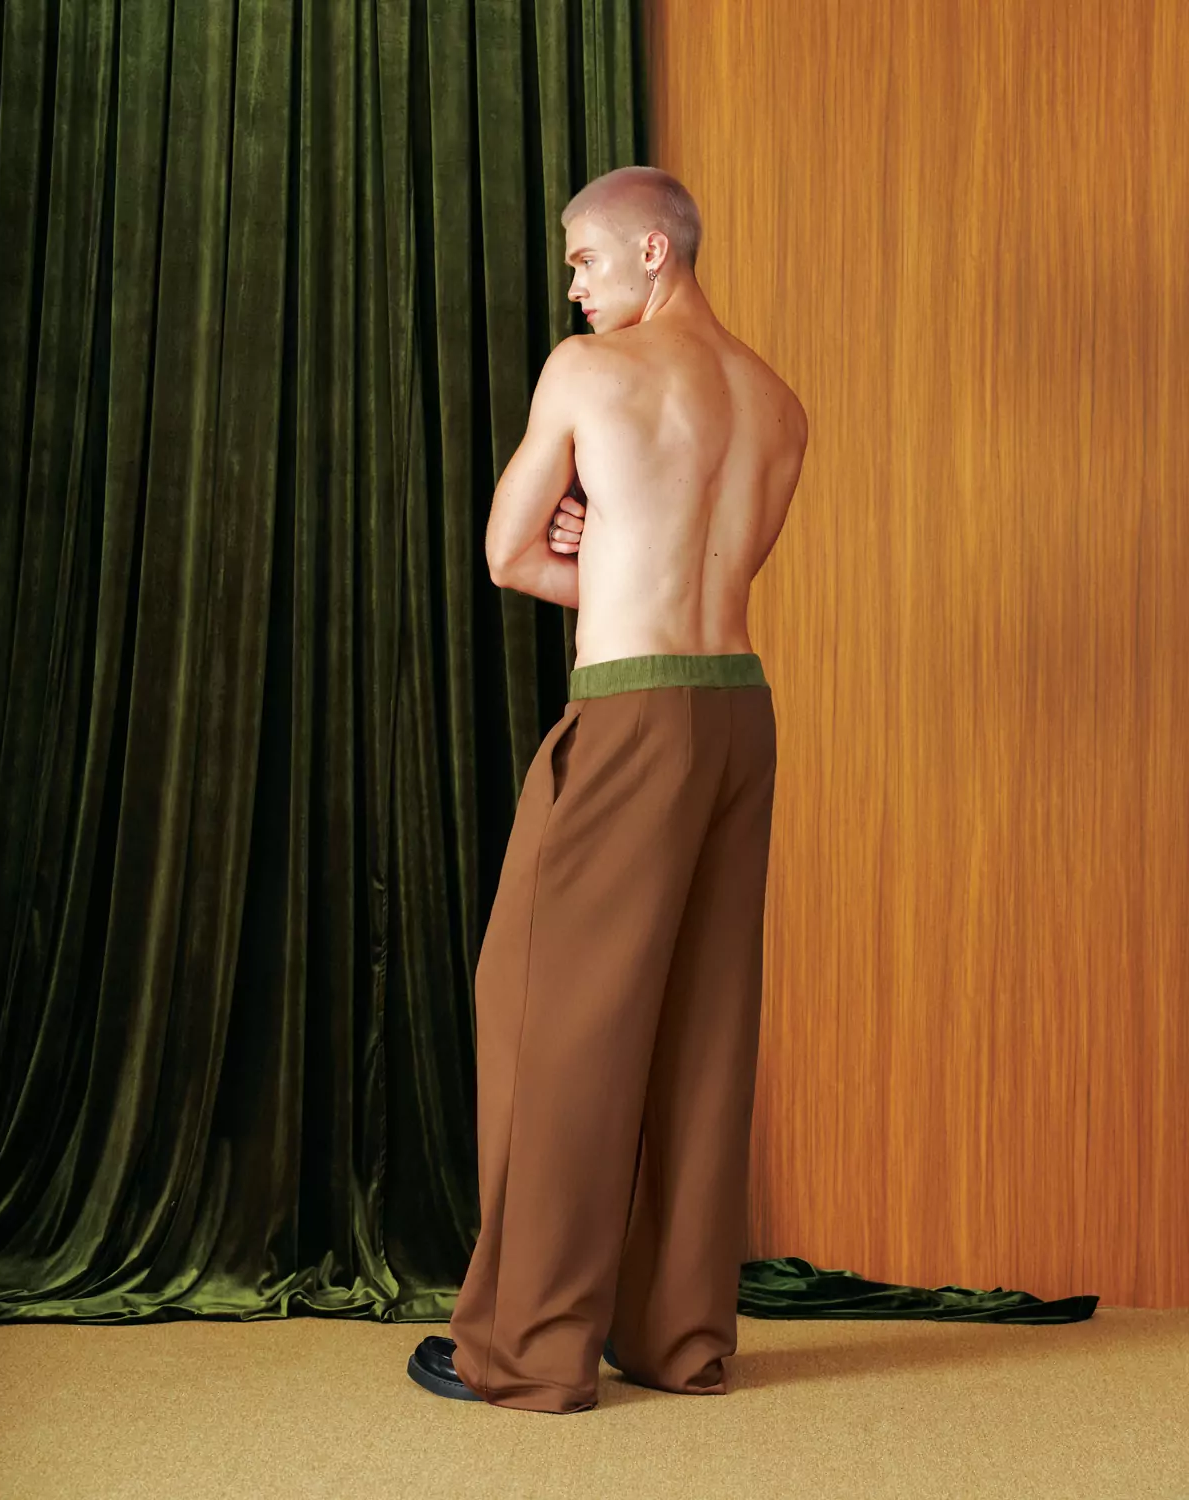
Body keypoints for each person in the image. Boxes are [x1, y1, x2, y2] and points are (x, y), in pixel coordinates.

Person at [408, 165, 808, 1413]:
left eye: (584, 258)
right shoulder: (777, 402)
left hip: (632, 709)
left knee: (551, 1014)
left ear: (652, 251)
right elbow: (712, 564)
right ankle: (680, 1339)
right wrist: (626, 547)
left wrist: (594, 547)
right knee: (702, 1024)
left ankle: (529, 1347)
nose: (573, 285)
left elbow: (507, 553)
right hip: (738, 713)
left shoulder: (589, 373)